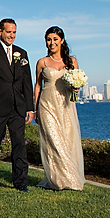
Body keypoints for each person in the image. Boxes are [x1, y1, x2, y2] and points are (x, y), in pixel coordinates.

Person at [0, 19, 35, 192]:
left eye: (14, 32)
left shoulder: (22, 53)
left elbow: (27, 82)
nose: (11, 35)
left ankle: (20, 182)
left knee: (19, 145)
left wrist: (29, 107)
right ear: (0, 31)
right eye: (8, 32)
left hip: (18, 107)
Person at [33, 26, 85, 191]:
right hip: (46, 105)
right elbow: (38, 87)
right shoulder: (42, 62)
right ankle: (60, 180)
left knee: (67, 141)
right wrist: (35, 110)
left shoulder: (71, 61)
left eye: (55, 39)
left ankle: (69, 177)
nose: (52, 43)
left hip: (66, 106)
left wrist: (76, 90)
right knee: (54, 142)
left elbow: (75, 85)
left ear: (62, 40)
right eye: (49, 39)